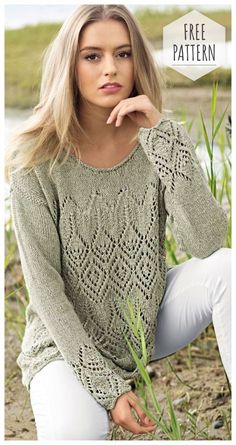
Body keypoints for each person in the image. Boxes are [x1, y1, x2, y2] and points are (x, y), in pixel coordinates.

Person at [5, 4, 231, 441]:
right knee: (79, 432)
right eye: (92, 56)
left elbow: (206, 241)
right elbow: (46, 293)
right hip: (64, 345)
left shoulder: (158, 139)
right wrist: (110, 390)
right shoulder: (34, 160)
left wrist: (162, 135)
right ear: (69, 65)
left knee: (229, 268)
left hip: (143, 321)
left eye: (123, 54)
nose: (110, 68)